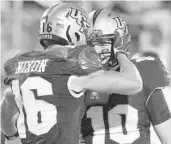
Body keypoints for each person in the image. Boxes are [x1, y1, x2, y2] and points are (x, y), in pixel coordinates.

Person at [1, 3, 143, 144]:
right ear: (73, 31)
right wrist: (120, 52)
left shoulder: (20, 65)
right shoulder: (72, 64)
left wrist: (11, 137)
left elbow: (6, 109)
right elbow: (134, 83)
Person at [81, 9, 171, 144]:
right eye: (91, 44)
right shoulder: (78, 79)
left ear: (120, 42)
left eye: (102, 42)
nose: (96, 50)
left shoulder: (145, 72)